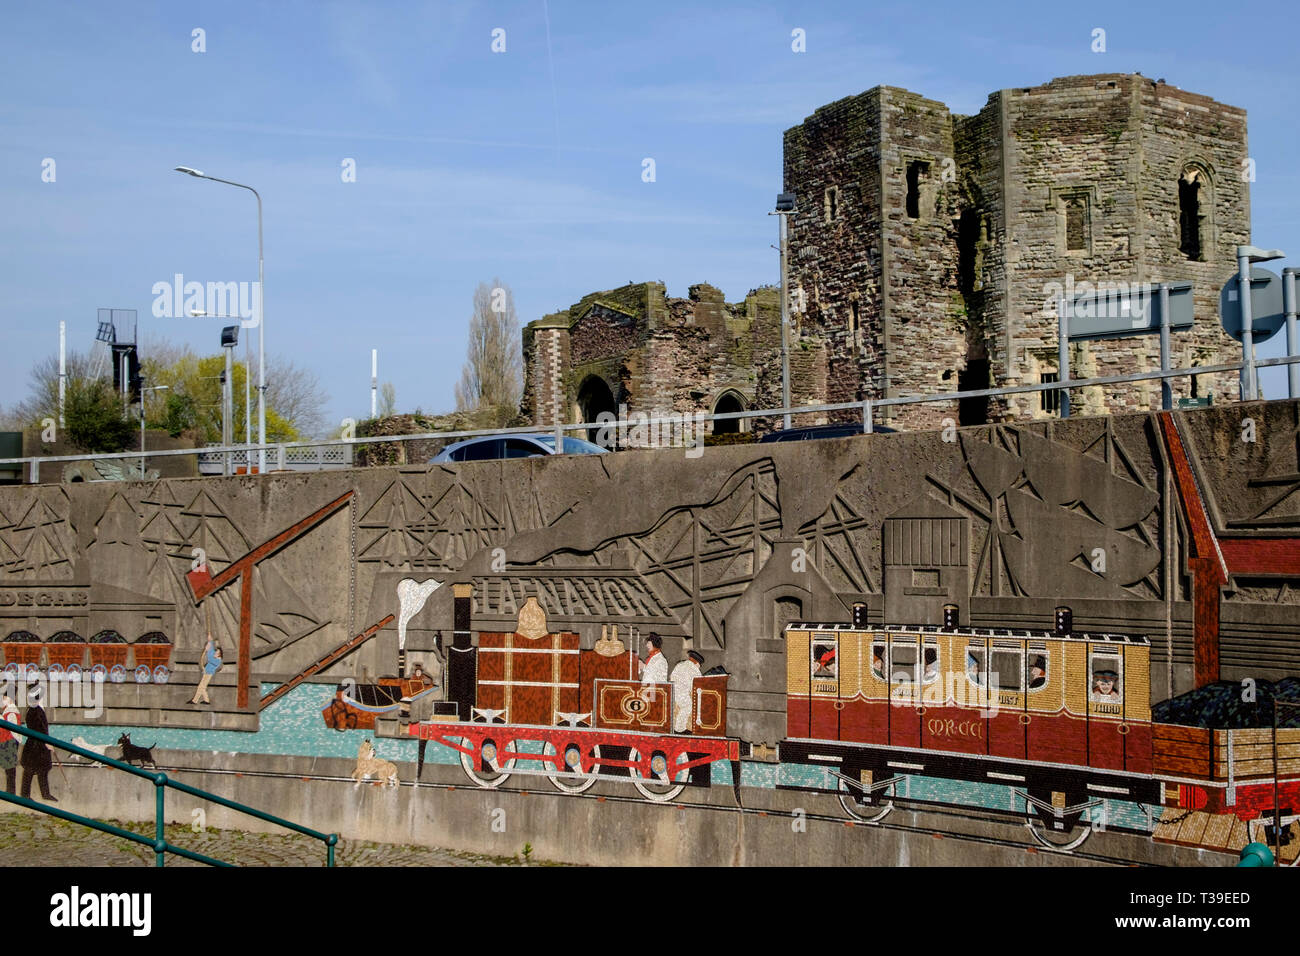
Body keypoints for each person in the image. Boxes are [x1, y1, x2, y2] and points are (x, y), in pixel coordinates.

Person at [20, 684, 55, 802]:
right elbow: (40, 728)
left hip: (36, 744)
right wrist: (47, 742)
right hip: (37, 744)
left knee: (39, 770)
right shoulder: (36, 710)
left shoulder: (35, 709)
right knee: (32, 770)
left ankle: (44, 794)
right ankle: (27, 795)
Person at [670, 650, 704, 734]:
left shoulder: (680, 665)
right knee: (688, 706)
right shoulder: (694, 669)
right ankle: (679, 728)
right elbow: (698, 684)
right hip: (682, 693)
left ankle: (678, 727)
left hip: (673, 691)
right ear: (696, 663)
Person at [189, 636, 223, 705]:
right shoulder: (215, 657)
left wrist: (208, 649)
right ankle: (205, 700)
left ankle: (195, 700)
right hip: (206, 672)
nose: (215, 654)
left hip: (209, 674)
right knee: (202, 687)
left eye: (217, 653)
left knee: (201, 687)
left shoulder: (218, 661)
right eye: (216, 652)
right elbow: (212, 651)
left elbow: (210, 657)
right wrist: (210, 641)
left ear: (220, 655)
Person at [0, 693, 21, 794]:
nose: (2, 701)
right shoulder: (8, 711)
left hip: (8, 743)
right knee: (9, 768)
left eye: (4, 698)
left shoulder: (10, 712)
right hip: (7, 742)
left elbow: (13, 729)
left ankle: (10, 791)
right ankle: (10, 791)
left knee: (10, 769)